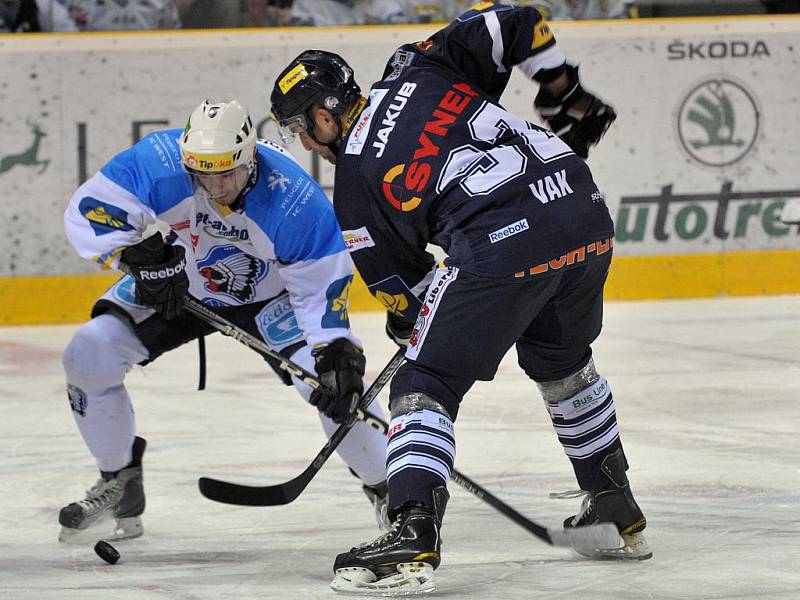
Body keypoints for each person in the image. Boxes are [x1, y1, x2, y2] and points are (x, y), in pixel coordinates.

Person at [270, 2, 650, 594]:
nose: (304, 141)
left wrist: (417, 332)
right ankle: (612, 500)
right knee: (563, 363)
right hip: (583, 212)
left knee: (423, 381)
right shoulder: (415, 67)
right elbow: (516, 20)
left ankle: (412, 529)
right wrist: (560, 85)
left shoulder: (356, 184)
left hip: (504, 242)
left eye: (300, 127)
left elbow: (407, 296)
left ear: (324, 116)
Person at [59, 99, 390, 543]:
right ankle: (119, 481)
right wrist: (135, 256)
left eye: (227, 173)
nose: (215, 185)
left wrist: (333, 348)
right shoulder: (162, 160)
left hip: (274, 298)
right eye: (204, 173)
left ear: (250, 156)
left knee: (332, 385)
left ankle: (394, 493)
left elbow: (318, 286)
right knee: (89, 353)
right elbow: (91, 208)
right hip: (186, 282)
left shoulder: (292, 199)